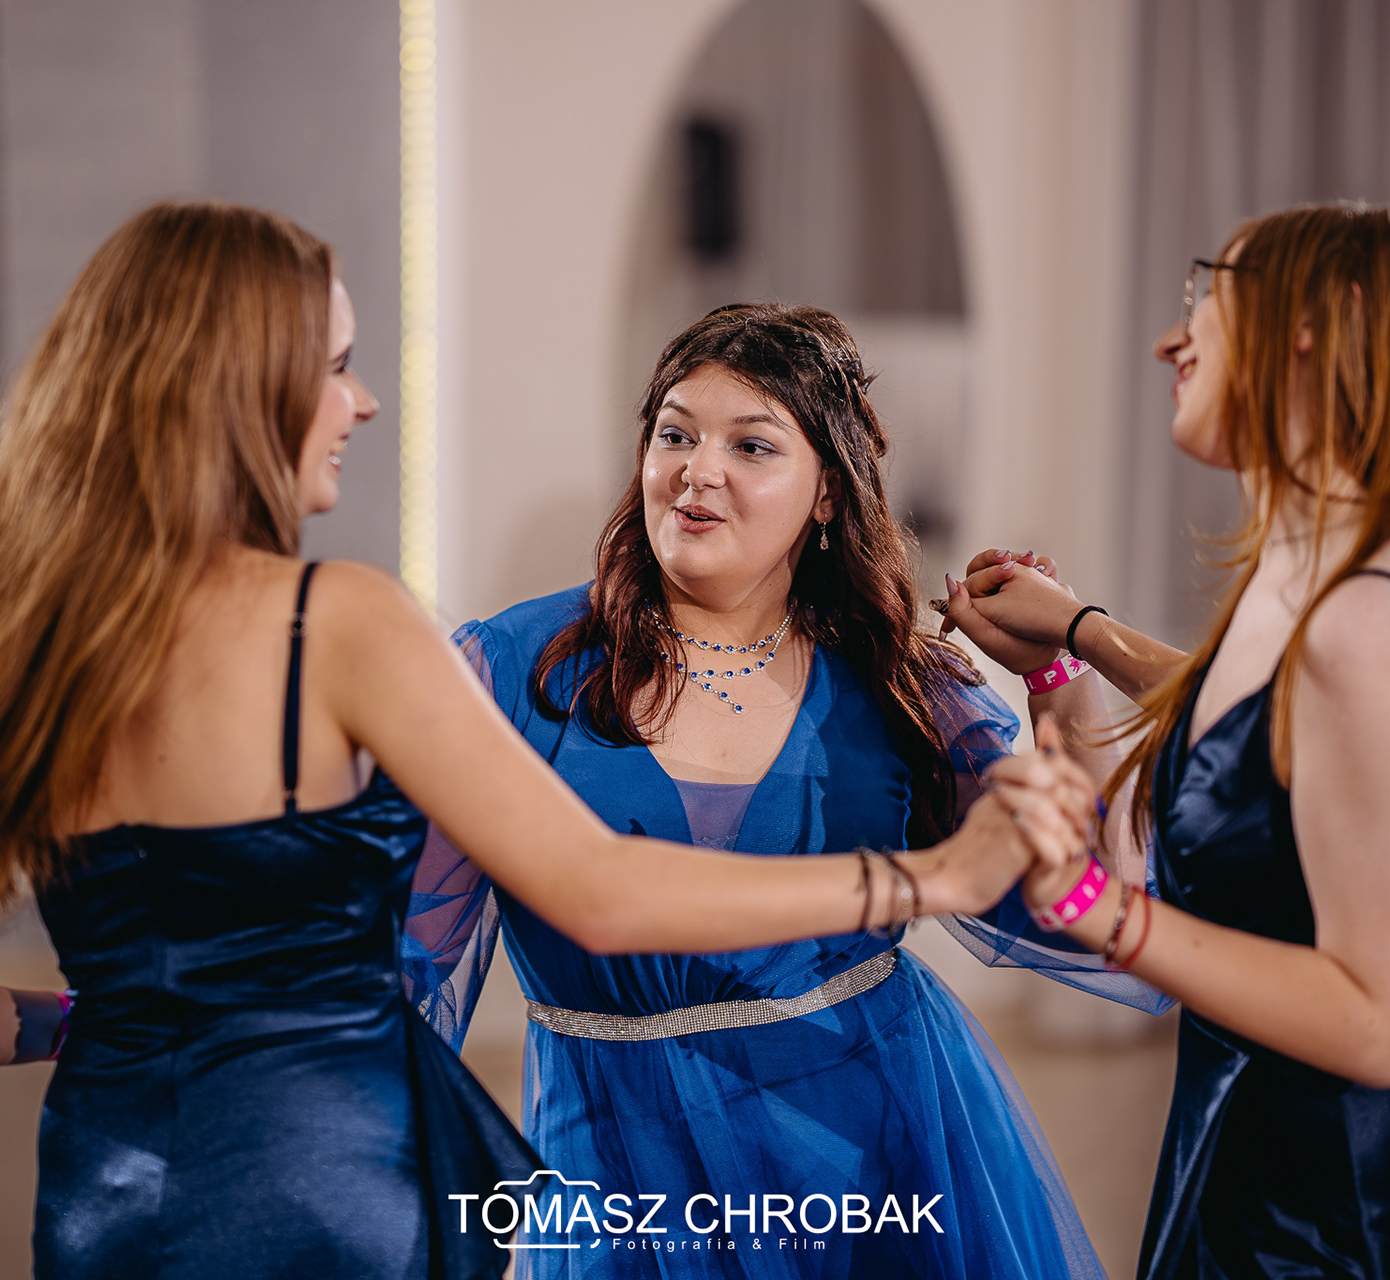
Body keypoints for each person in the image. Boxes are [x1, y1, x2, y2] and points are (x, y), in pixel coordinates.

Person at [0, 204, 1062, 1280]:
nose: (360, 400)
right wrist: (927, 878)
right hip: (323, 1173)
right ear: (234, 392)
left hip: (110, 1177)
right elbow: (597, 891)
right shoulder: (341, 622)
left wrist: (120, 1015)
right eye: (335, 366)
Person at [409, 303, 1172, 1279]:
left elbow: (1092, 906)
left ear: (827, 493)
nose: (698, 470)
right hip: (623, 1179)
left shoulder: (898, 681)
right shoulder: (511, 672)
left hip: (878, 1152)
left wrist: (1059, 672)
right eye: (675, 434)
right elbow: (405, 977)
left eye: (751, 445)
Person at [942, 203, 1390, 1277]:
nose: (1170, 340)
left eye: (1204, 297)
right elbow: (1243, 733)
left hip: (1352, 1221)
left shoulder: (1367, 626)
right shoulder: (1309, 568)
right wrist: (1066, 645)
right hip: (1255, 1166)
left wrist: (1094, 908)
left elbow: (1375, 1025)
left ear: (1314, 323)